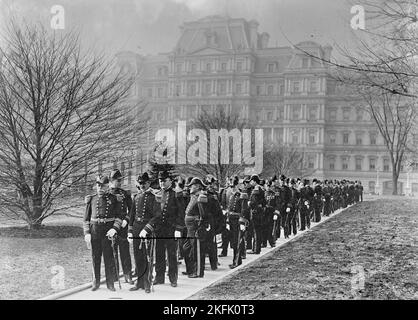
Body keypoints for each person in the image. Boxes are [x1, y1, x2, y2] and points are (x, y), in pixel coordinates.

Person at [83, 175, 122, 291]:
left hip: (108, 233)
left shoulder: (114, 199)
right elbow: (86, 218)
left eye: (103, 186)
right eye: (98, 185)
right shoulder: (91, 199)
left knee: (108, 258)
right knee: (95, 258)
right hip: (95, 232)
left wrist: (114, 228)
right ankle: (96, 282)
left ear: (107, 186)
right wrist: (87, 232)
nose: (100, 188)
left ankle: (110, 283)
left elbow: (120, 216)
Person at [127, 172, 161, 293]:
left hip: (147, 230)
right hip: (136, 228)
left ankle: (147, 282)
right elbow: (131, 215)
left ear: (148, 183)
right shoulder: (136, 197)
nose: (141, 185)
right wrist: (130, 231)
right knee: (137, 256)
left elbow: (157, 216)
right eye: (140, 183)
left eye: (144, 183)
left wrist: (147, 229)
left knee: (147, 257)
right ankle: (139, 282)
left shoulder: (154, 197)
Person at [154, 171, 184, 287]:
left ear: (170, 181)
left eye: (164, 180)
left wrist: (179, 229)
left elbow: (181, 213)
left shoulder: (176, 194)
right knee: (159, 254)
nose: (162, 183)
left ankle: (173, 278)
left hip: (171, 229)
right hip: (159, 230)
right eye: (160, 180)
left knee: (172, 255)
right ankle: (159, 277)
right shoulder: (157, 194)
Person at [108, 169, 134, 285]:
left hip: (123, 226)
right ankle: (114, 275)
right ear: (111, 181)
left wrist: (127, 220)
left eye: (120, 180)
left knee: (124, 251)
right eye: (116, 180)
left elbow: (132, 210)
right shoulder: (107, 194)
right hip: (111, 227)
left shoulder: (125, 193)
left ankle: (127, 275)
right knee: (112, 250)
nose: (119, 182)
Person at [183, 177, 211, 277]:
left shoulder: (201, 197)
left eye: (192, 185)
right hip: (190, 228)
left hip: (195, 227)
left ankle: (198, 272)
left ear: (198, 186)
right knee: (186, 248)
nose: (190, 187)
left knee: (196, 250)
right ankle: (190, 269)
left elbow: (203, 214)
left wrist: (201, 226)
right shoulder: (193, 196)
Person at [248, 174, 265, 254]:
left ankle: (256, 249)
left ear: (254, 181)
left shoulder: (256, 189)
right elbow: (264, 202)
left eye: (251, 181)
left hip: (256, 212)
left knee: (256, 231)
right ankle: (257, 249)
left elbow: (254, 202)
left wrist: (249, 203)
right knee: (258, 231)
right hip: (260, 212)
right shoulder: (261, 188)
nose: (250, 182)